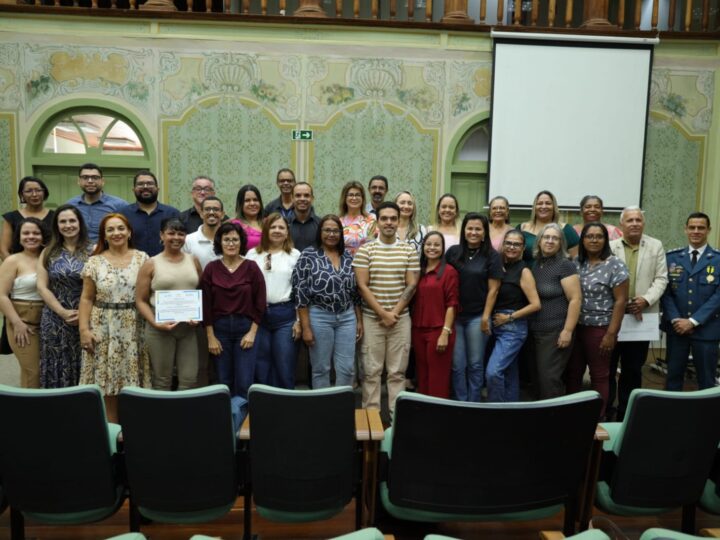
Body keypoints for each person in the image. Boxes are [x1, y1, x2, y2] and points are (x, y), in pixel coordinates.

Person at [78, 213, 151, 422]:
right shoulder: (95, 262)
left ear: (129, 232)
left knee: (134, 381)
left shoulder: (143, 258)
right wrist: (84, 330)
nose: (116, 233)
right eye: (110, 230)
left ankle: (134, 430)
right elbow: (86, 298)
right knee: (108, 381)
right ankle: (112, 430)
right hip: (103, 328)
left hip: (136, 326)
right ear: (104, 236)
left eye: (120, 228)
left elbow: (151, 294)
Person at [353, 202, 419, 416]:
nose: (389, 222)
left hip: (400, 321)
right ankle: (371, 424)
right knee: (371, 373)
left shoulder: (409, 250)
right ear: (378, 222)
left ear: (399, 221)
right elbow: (362, 286)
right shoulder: (366, 250)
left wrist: (394, 314)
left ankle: (397, 421)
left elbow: (411, 285)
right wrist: (383, 314)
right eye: (384, 218)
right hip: (373, 320)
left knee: (397, 373)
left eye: (393, 218)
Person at [608, 206, 668, 420]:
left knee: (633, 370)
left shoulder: (655, 245)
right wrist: (618, 302)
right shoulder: (610, 246)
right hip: (613, 317)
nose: (634, 223)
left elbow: (662, 278)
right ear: (621, 224)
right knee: (608, 367)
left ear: (643, 223)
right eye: (630, 220)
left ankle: (627, 414)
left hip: (641, 318)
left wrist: (645, 300)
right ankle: (608, 411)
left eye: (638, 220)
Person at [566, 223, 628, 418]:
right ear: (582, 239)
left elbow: (621, 301)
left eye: (599, 236)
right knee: (573, 373)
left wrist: (611, 334)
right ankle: (572, 415)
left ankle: (596, 419)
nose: (594, 240)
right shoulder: (576, 262)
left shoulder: (615, 264)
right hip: (576, 327)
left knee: (599, 375)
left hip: (600, 329)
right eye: (589, 236)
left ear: (605, 240)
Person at [294, 215, 362, 389]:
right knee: (321, 369)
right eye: (327, 230)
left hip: (347, 317)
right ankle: (322, 412)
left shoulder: (347, 255)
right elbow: (301, 294)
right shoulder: (308, 255)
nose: (331, 234)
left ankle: (341, 409)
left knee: (347, 369)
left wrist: (359, 320)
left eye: (335, 230)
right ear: (320, 232)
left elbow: (355, 292)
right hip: (319, 317)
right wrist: (306, 327)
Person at [135, 218, 203, 391]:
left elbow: (200, 291)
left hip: (188, 330)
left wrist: (198, 315)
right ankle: (163, 418)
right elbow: (140, 300)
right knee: (162, 380)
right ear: (162, 235)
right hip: (159, 330)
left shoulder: (193, 260)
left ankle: (184, 418)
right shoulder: (151, 263)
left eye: (181, 233)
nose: (176, 237)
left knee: (189, 380)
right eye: (171, 233)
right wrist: (155, 323)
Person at [201, 222, 266, 398]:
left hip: (245, 328)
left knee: (245, 382)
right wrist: (210, 337)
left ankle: (243, 423)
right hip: (219, 330)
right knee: (223, 382)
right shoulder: (211, 269)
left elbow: (260, 303)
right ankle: (227, 423)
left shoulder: (251, 267)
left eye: (235, 240)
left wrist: (252, 333)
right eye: (227, 239)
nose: (231, 243)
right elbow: (205, 305)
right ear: (220, 243)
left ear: (241, 242)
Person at [445, 213, 502, 402]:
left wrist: (486, 317)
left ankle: (473, 403)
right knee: (457, 365)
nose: (473, 232)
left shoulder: (492, 256)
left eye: (478, 229)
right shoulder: (453, 252)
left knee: (475, 364)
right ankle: (461, 403)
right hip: (455, 317)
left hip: (478, 317)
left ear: (485, 232)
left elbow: (493, 290)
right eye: (470, 228)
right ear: (464, 230)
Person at [661, 212, 720, 391]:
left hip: (707, 330)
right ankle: (672, 417)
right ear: (685, 229)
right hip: (677, 328)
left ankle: (707, 418)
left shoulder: (718, 259)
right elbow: (665, 292)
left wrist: (693, 321)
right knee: (673, 378)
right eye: (692, 227)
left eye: (701, 228)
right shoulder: (672, 258)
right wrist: (676, 320)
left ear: (708, 230)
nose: (696, 231)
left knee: (707, 380)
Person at [36, 205, 91, 388]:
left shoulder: (94, 250)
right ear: (57, 225)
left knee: (86, 363)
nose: (68, 225)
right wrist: (62, 312)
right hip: (55, 320)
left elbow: (99, 287)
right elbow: (42, 287)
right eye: (63, 221)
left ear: (80, 223)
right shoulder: (48, 252)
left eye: (72, 220)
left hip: (87, 319)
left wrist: (82, 315)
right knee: (56, 365)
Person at [246, 213, 301, 388]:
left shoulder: (295, 255)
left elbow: (300, 289)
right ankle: (265, 408)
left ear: (287, 232)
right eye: (273, 227)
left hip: (285, 316)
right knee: (261, 366)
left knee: (284, 366)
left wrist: (299, 321)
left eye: (281, 227)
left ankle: (287, 409)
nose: (277, 231)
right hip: (258, 318)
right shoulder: (252, 254)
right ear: (265, 230)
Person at [485, 230, 541, 402]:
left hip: (513, 328)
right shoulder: (499, 265)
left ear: (523, 248)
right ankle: (511, 413)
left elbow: (536, 304)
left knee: (493, 372)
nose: (511, 247)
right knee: (509, 373)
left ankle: (496, 412)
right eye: (508, 243)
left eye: (516, 244)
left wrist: (509, 318)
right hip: (497, 325)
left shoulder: (524, 271)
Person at [529, 223, 581, 399]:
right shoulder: (536, 265)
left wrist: (567, 331)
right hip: (535, 331)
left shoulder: (565, 265)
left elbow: (575, 300)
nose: (550, 241)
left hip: (555, 331)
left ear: (561, 243)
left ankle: (555, 422)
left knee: (549, 380)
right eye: (546, 237)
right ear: (539, 241)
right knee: (537, 380)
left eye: (555, 238)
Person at [0, 218, 49, 388]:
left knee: (35, 371)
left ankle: (26, 409)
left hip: (47, 320)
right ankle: (30, 412)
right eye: (26, 233)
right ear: (18, 237)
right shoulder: (13, 261)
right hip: (22, 321)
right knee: (33, 371)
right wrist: (17, 323)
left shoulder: (49, 257)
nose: (31, 236)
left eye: (36, 233)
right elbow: (2, 296)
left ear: (43, 236)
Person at [411, 231, 459, 398]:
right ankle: (424, 413)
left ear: (443, 248)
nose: (432, 248)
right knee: (422, 375)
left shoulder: (449, 272)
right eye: (428, 244)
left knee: (438, 378)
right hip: (417, 329)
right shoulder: (419, 270)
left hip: (439, 330)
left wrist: (445, 332)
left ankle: (437, 418)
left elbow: (452, 304)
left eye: (436, 245)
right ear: (423, 246)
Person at [119, 170, 180, 257]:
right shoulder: (122, 215)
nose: (145, 187)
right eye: (140, 184)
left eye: (150, 183)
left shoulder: (172, 214)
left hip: (165, 266)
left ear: (157, 189)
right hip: (132, 266)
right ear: (133, 189)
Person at [66, 163, 127, 244]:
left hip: (109, 253)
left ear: (102, 181)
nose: (90, 181)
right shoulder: (70, 205)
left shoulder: (120, 205)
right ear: (79, 181)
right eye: (85, 177)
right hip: (77, 253)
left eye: (95, 177)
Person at [1, 176, 54, 260]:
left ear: (44, 192)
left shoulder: (55, 217)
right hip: (20, 269)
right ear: (22, 194)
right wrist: (15, 267)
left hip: (50, 267)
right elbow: (3, 250)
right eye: (29, 191)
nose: (34, 194)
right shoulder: (11, 218)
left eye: (38, 190)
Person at [519, 190, 579, 263]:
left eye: (548, 203)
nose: (544, 206)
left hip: (559, 274)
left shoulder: (566, 229)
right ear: (535, 207)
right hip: (525, 273)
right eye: (539, 203)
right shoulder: (522, 228)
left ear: (554, 207)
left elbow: (576, 261)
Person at [183, 196, 224, 270]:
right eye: (207, 209)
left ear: (222, 214)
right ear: (201, 213)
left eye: (216, 209)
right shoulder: (188, 240)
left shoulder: (231, 240)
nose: (211, 212)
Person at [339, 181, 376, 257]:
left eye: (358, 195)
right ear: (345, 198)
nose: (354, 198)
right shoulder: (338, 221)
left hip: (366, 263)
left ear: (362, 198)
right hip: (343, 265)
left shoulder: (372, 219)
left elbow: (377, 244)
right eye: (351, 195)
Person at [288, 182, 320, 252]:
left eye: (306, 195)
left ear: (312, 198)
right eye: (298, 195)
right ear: (292, 198)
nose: (302, 199)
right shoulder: (284, 224)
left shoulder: (321, 224)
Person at [231, 184, 264, 252]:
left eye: (255, 200)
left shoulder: (267, 223)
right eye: (247, 200)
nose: (252, 203)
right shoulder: (234, 225)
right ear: (240, 204)